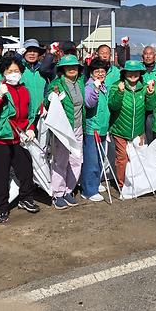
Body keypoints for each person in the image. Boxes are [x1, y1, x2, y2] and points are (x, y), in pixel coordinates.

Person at [0, 56, 40, 223]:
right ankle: (2, 207)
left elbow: (29, 114)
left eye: (17, 71)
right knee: (0, 176)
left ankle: (26, 199)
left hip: (18, 139)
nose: (14, 74)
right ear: (3, 73)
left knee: (26, 169)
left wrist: (30, 128)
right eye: (10, 71)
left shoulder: (24, 90)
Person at [45, 54, 86, 209]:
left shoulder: (80, 83)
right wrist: (51, 97)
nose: (72, 69)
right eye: (68, 67)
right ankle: (58, 193)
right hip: (63, 129)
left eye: (74, 66)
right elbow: (47, 103)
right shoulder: (56, 84)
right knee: (60, 161)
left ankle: (69, 190)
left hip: (78, 128)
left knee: (76, 160)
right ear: (62, 69)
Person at [107, 60, 148, 189]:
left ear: (140, 73)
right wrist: (120, 92)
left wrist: (151, 94)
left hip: (137, 130)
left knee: (136, 157)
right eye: (129, 72)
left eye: (136, 72)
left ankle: (136, 182)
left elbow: (150, 107)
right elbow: (113, 106)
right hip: (120, 129)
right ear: (124, 73)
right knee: (122, 157)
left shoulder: (143, 87)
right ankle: (122, 185)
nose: (133, 75)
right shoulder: (116, 86)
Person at [82, 59, 111, 203]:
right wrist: (95, 89)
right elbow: (89, 103)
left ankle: (95, 183)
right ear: (91, 73)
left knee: (100, 159)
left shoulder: (105, 86)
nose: (100, 74)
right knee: (91, 161)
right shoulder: (89, 86)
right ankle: (88, 190)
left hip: (103, 128)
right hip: (92, 129)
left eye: (103, 71)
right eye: (96, 71)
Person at [20, 39, 50, 121]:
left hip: (42, 115)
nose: (32, 53)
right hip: (23, 116)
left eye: (35, 51)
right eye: (29, 51)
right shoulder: (18, 69)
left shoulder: (44, 70)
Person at [141, 45, 156, 142]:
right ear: (142, 56)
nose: (148, 56)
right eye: (146, 54)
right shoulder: (138, 70)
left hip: (155, 107)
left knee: (153, 135)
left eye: (150, 54)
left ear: (154, 56)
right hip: (141, 106)